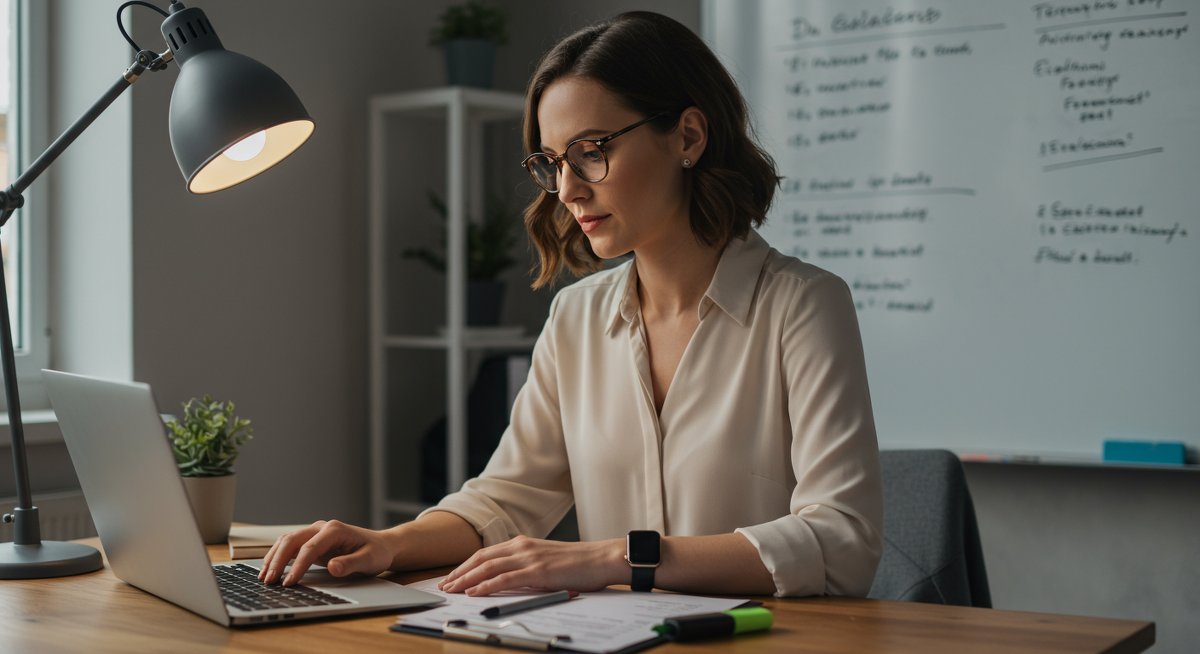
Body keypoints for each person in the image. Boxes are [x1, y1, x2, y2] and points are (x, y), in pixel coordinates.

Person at [261, 11, 881, 598]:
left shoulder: (804, 306)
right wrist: (387, 544)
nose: (567, 189)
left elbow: (843, 540)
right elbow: (506, 499)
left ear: (687, 136)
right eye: (553, 162)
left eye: (591, 150)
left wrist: (616, 557)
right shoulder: (576, 319)